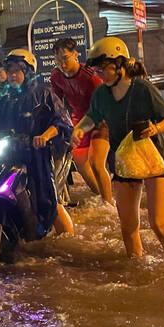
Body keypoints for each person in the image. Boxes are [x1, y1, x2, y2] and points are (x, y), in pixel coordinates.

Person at [72, 37, 164, 264]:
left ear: (120, 64)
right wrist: (78, 130)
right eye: (97, 69)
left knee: (160, 225)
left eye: (103, 68)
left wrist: (155, 128)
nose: (100, 73)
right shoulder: (102, 94)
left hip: (154, 161)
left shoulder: (142, 88)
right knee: (128, 227)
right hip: (124, 163)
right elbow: (93, 116)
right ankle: (136, 267)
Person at [0, 48, 74, 240]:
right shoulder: (6, 100)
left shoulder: (44, 94)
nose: (13, 75)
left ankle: (69, 241)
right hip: (15, 153)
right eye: (10, 70)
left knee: (48, 199)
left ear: (28, 71)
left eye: (17, 70)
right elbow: (0, 127)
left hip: (42, 155)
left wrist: (45, 136)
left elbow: (63, 122)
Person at [50, 37, 113, 205]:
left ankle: (109, 203)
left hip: (100, 120)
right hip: (78, 121)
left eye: (65, 59)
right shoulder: (56, 76)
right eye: (57, 61)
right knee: (79, 161)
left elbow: (101, 107)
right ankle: (102, 197)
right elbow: (57, 103)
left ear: (75, 54)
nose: (62, 64)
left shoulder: (91, 77)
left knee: (96, 162)